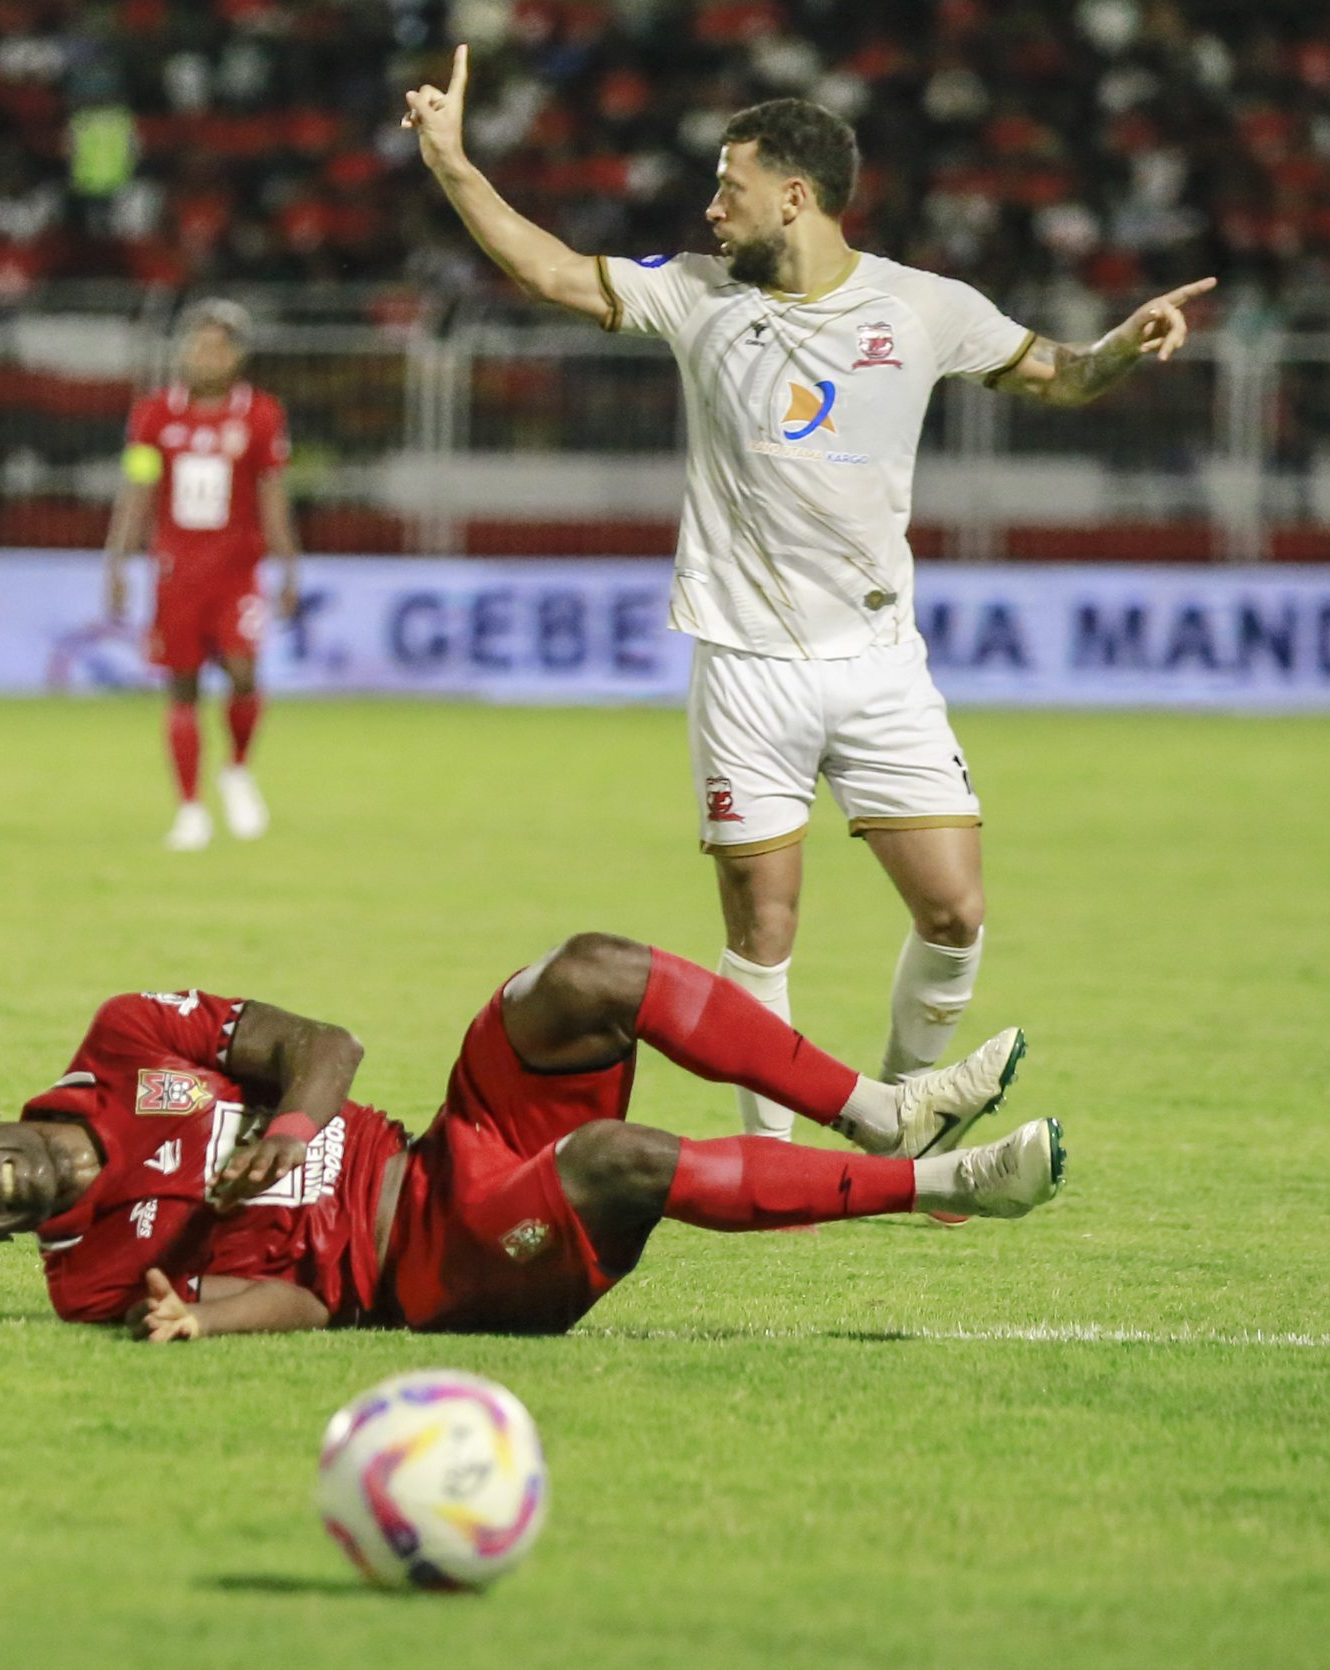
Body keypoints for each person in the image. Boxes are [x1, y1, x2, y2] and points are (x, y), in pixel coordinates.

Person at [403, 50, 1214, 1142]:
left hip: (880, 664)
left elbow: (1060, 375)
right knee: (763, 934)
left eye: (728, 185)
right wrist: (452, 162)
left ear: (794, 194)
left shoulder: (923, 308)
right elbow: (548, 271)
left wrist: (1121, 344)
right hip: (745, 666)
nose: (709, 205)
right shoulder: (695, 294)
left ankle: (910, 1116)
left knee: (955, 911)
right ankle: (769, 1162)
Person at [0, 934, 1058, 1336]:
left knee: (583, 971)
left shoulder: (128, 1038)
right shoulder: (92, 1278)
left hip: (444, 1149)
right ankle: (946, 1178)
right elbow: (314, 1302)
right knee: (613, 1161)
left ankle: (879, 1104)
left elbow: (323, 1043)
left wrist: (290, 1128)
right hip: (436, 1264)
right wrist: (204, 1316)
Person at [102, 299, 303, 851]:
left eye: (217, 347)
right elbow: (138, 491)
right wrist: (117, 560)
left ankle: (236, 769)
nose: (204, 356)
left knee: (243, 674)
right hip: (177, 572)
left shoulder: (260, 415)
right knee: (182, 687)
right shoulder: (155, 414)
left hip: (237, 571)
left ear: (237, 355)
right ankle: (189, 809)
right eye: (197, 345)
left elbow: (272, 495)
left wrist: (288, 567)